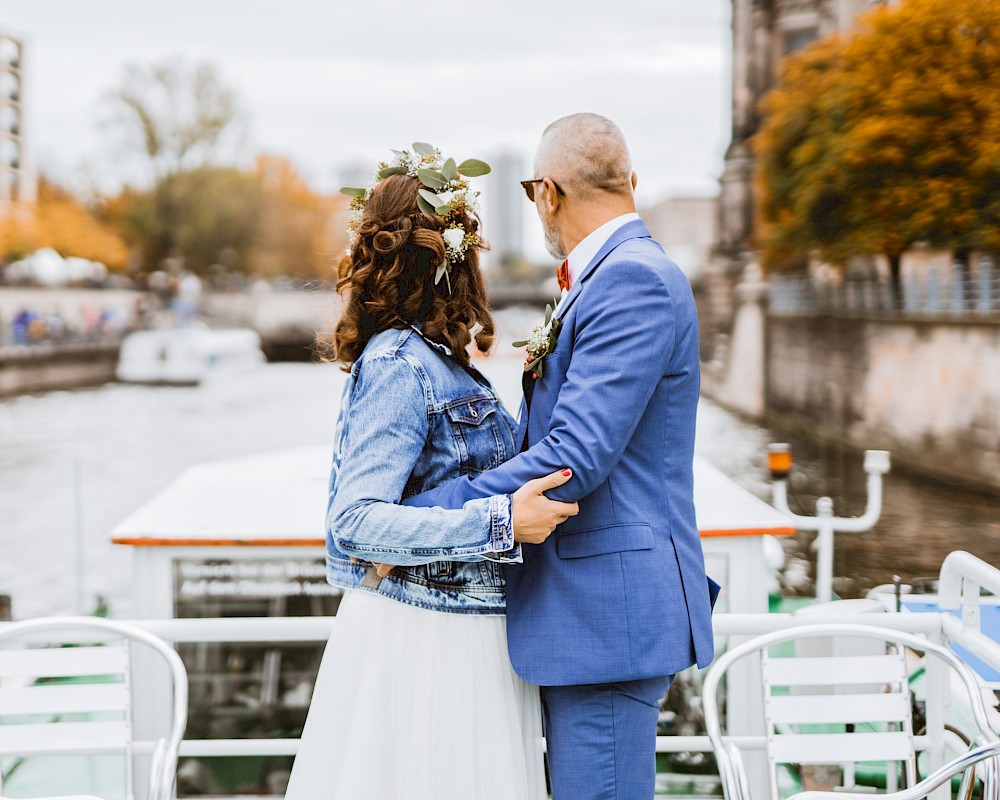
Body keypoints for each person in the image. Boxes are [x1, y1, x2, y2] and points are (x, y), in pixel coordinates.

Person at [402, 113, 720, 800]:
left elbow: (573, 456)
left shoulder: (629, 281)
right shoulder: (610, 277)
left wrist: (422, 515)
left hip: (605, 616)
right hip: (591, 613)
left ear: (546, 192)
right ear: (629, 181)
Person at [284, 146, 577, 800]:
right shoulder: (399, 363)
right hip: (427, 642)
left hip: (459, 631)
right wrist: (503, 522)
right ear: (450, 259)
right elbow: (354, 522)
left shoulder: (438, 362)